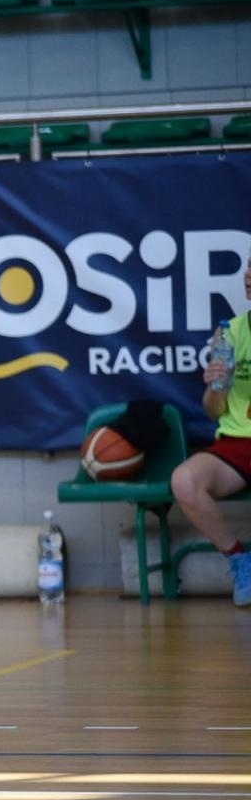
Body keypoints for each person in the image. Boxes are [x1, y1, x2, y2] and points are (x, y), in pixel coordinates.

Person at [171, 255, 251, 607]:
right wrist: (217, 388)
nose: (248, 275)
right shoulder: (229, 333)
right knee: (184, 481)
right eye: (249, 267)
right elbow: (213, 410)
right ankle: (240, 560)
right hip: (238, 442)